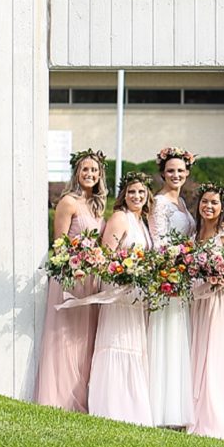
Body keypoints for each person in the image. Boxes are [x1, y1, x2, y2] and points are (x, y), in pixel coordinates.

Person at [33, 149, 106, 411]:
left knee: (84, 339)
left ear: (100, 175)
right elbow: (59, 244)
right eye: (85, 169)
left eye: (94, 170)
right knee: (64, 338)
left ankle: (81, 397)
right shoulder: (69, 202)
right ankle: (58, 400)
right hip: (71, 279)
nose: (90, 174)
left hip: (90, 280)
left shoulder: (97, 206)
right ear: (76, 172)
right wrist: (78, 261)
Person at [88, 172, 156, 426]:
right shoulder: (120, 218)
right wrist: (125, 274)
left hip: (136, 299)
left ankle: (134, 410)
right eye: (131, 192)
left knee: (135, 348)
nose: (136, 196)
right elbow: (105, 259)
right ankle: (112, 409)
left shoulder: (142, 222)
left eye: (141, 192)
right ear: (123, 196)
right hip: (119, 297)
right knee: (117, 344)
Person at [148, 147, 197, 429]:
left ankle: (178, 409)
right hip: (167, 277)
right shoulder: (159, 202)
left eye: (180, 171)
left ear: (187, 172)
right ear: (162, 174)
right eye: (170, 171)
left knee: (179, 339)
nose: (176, 175)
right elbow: (158, 241)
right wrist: (178, 263)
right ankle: (161, 410)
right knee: (165, 338)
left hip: (183, 276)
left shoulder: (183, 204)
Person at [187, 183, 224, 439]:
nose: (208, 206)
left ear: (223, 207)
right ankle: (194, 416)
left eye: (214, 203)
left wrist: (221, 277)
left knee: (215, 356)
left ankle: (215, 423)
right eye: (205, 201)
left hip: (220, 301)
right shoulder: (192, 236)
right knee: (197, 354)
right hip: (198, 301)